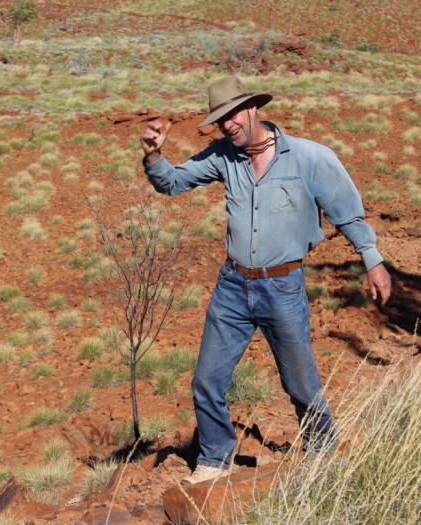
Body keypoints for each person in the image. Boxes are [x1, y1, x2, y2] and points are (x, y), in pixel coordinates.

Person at [140, 76, 391, 484]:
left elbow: (347, 210)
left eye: (232, 115)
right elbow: (173, 182)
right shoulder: (224, 157)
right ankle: (215, 458)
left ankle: (324, 454)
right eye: (220, 120)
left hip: (283, 286)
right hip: (233, 287)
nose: (227, 125)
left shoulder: (309, 157)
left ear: (253, 108)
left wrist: (372, 259)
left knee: (301, 384)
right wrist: (154, 156)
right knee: (206, 381)